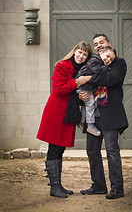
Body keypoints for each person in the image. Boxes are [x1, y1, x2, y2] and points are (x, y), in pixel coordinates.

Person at [36, 41, 93, 198]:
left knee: (60, 149)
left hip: (68, 113)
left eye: (85, 54)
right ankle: (54, 187)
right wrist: (77, 82)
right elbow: (60, 89)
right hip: (57, 112)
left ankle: (58, 184)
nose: (81, 56)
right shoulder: (62, 65)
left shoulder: (82, 69)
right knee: (54, 148)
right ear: (74, 51)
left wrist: (81, 94)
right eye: (80, 52)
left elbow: (75, 93)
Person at [79, 34, 129, 199]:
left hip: (110, 113)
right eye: (95, 44)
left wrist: (87, 78)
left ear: (108, 44)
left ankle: (117, 188)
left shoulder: (117, 63)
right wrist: (80, 94)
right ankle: (98, 185)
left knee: (112, 151)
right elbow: (80, 82)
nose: (99, 45)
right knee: (92, 151)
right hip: (93, 115)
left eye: (101, 42)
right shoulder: (92, 61)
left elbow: (110, 79)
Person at [76, 46, 116, 136]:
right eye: (107, 56)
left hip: (85, 86)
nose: (108, 60)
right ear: (101, 52)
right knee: (90, 104)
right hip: (83, 86)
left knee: (85, 105)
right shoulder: (94, 60)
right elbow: (96, 70)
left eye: (111, 59)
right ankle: (90, 126)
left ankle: (81, 121)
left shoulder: (98, 60)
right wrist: (107, 68)